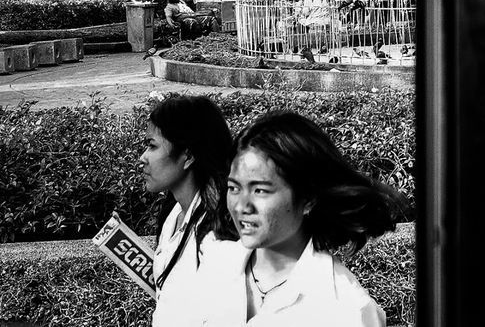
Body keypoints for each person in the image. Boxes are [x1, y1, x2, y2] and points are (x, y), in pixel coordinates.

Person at [194, 111, 401, 326]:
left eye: (260, 191)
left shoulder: (346, 308)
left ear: (308, 199)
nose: (241, 206)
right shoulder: (216, 264)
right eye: (233, 188)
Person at [139, 95, 234, 327]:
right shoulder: (173, 213)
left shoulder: (219, 235)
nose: (142, 158)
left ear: (189, 155)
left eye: (152, 146)